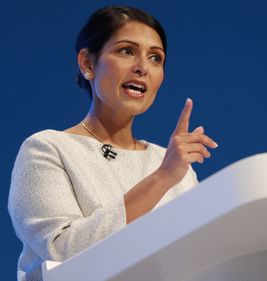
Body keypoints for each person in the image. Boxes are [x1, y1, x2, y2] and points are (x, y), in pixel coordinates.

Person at [8, 6, 217, 281]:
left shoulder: (174, 165)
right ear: (87, 64)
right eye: (127, 51)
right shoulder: (47, 149)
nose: (142, 67)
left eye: (156, 58)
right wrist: (162, 178)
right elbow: (61, 249)